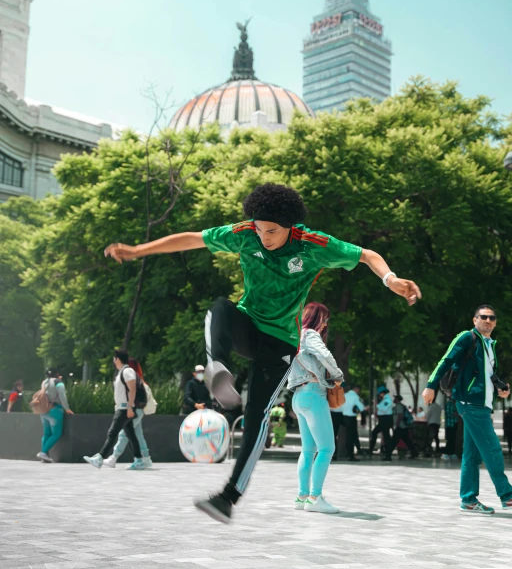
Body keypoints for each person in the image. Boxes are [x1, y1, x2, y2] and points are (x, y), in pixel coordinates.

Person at [105, 182, 421, 523]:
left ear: (290, 227)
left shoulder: (313, 245)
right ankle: (218, 369)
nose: (264, 237)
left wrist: (391, 279)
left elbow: (366, 255)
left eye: (272, 231)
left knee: (257, 412)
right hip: (249, 327)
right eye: (259, 230)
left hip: (281, 343)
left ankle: (229, 496)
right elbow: (193, 238)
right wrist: (139, 251)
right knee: (220, 308)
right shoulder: (244, 234)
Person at [423, 304, 512, 514]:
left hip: (482, 404)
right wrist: (431, 385)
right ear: (474, 320)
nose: (488, 321)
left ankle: (468, 499)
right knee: (493, 448)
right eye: (483, 317)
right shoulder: (467, 337)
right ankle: (508, 496)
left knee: (472, 454)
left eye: (492, 318)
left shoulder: (489, 345)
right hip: (471, 403)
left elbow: (487, 376)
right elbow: (446, 359)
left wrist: (500, 388)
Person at [288, 302, 342, 513]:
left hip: (299, 397)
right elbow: (325, 355)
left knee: (308, 450)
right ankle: (315, 497)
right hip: (313, 395)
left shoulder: (294, 336)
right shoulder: (309, 334)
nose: (326, 324)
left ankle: (302, 497)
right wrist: (337, 375)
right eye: (324, 319)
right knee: (327, 448)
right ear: (316, 317)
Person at [84, 349, 145, 470]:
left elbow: (132, 389)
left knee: (112, 433)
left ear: (117, 359)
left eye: (114, 358)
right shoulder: (122, 371)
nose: (113, 360)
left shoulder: (127, 371)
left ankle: (100, 457)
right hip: (122, 407)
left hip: (124, 408)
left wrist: (129, 407)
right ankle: (139, 460)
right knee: (131, 434)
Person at [103, 358, 153, 470]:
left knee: (124, 434)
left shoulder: (131, 379)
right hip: (139, 410)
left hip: (134, 410)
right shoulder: (138, 380)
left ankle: (113, 458)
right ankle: (146, 459)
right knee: (138, 434)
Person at [36, 369, 74, 463]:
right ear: (57, 374)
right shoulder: (58, 382)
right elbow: (62, 396)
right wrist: (67, 408)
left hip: (44, 409)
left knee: (46, 433)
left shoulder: (44, 382)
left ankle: (44, 456)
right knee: (56, 434)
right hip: (55, 410)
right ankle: (43, 452)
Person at [386, 395, 417, 460]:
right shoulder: (400, 406)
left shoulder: (399, 406)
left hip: (400, 427)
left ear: (397, 399)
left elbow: (400, 415)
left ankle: (388, 455)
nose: (393, 399)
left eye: (395, 398)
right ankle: (414, 452)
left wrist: (397, 424)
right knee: (407, 441)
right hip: (403, 427)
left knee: (394, 441)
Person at [342, 385, 366, 461]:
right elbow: (361, 408)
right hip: (351, 418)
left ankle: (348, 452)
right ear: (356, 389)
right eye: (358, 391)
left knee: (348, 436)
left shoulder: (344, 395)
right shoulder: (355, 397)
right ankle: (351, 455)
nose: (358, 392)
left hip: (344, 417)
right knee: (351, 437)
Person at [369, 388, 394, 458]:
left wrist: (376, 404)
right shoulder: (384, 400)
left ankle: (388, 454)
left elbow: (384, 409)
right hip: (383, 419)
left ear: (383, 393)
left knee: (386, 437)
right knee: (375, 432)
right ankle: (371, 449)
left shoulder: (387, 400)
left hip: (386, 419)